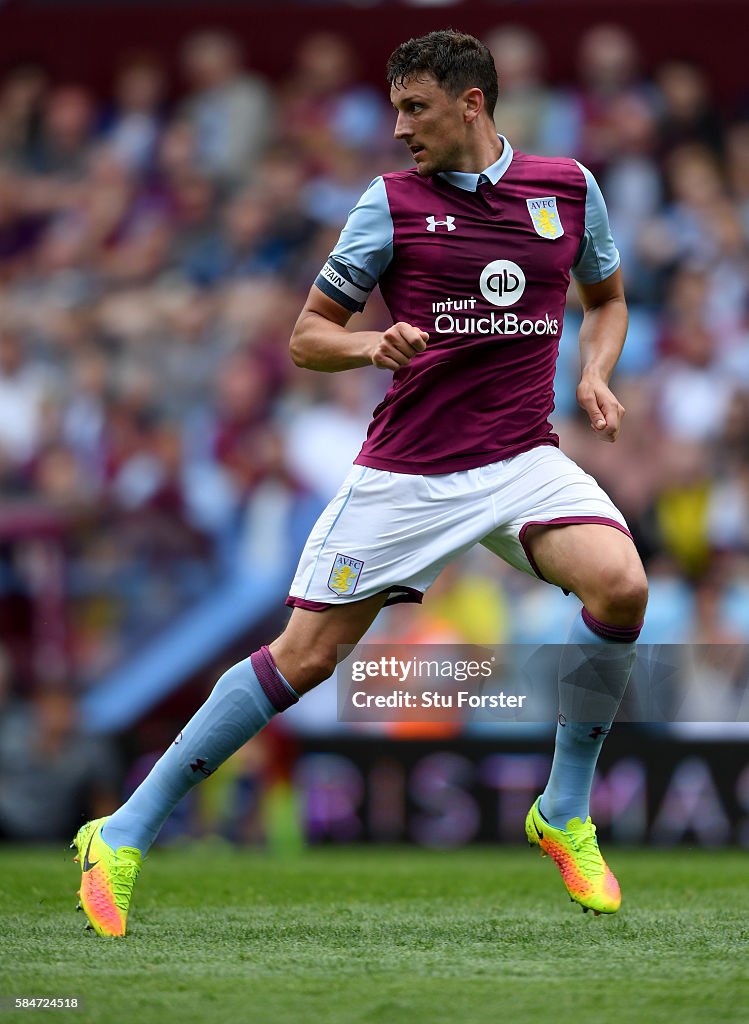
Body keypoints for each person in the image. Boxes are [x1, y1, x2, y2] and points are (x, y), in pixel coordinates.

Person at [72, 29, 648, 937]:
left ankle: (564, 812)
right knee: (302, 659)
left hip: (520, 457)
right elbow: (307, 336)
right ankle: (123, 830)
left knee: (621, 586)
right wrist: (367, 344)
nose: (397, 128)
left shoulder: (567, 188)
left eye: (414, 108)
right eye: (392, 109)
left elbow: (607, 297)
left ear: (471, 103)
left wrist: (595, 373)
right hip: (406, 475)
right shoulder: (389, 204)